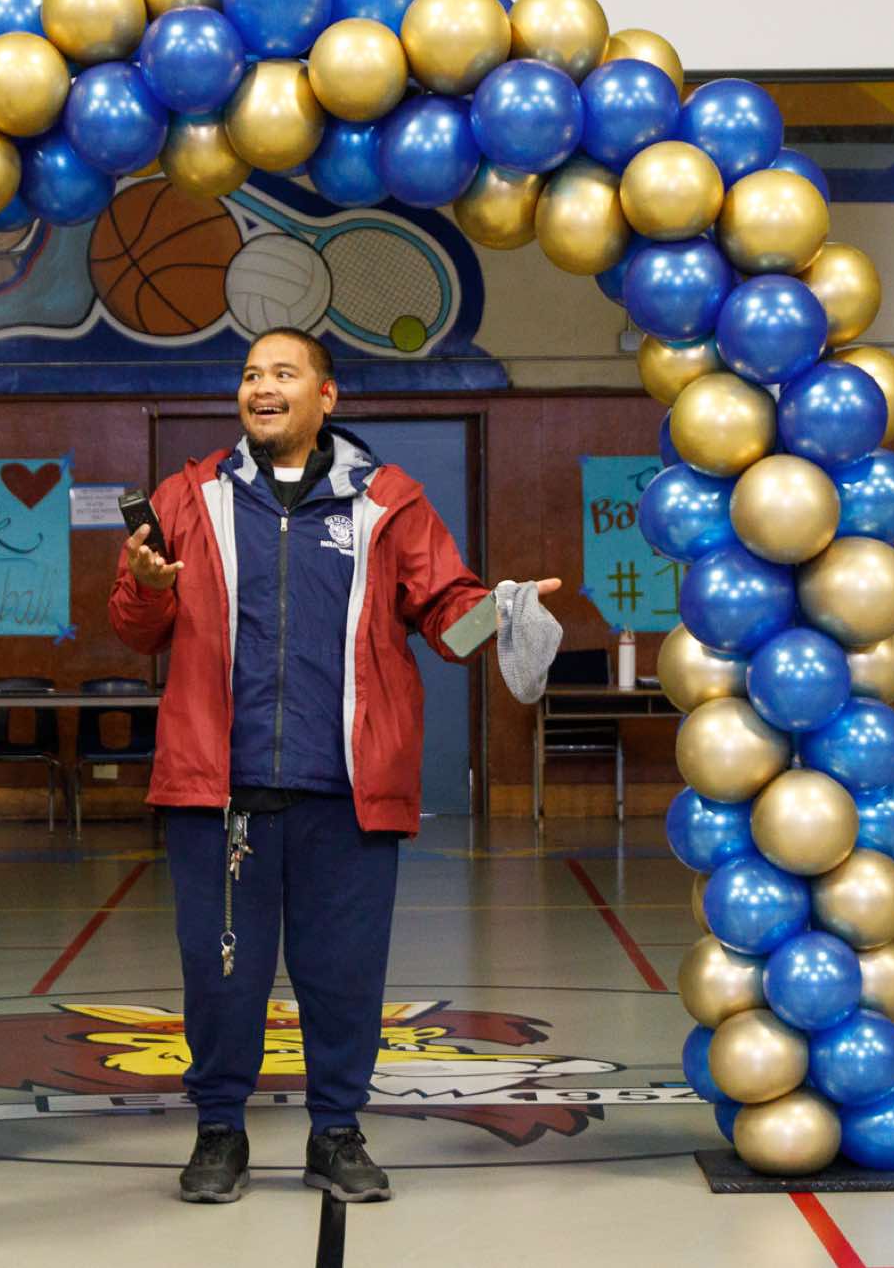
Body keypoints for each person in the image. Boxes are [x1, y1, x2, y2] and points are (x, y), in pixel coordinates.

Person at [109, 327, 558, 1205]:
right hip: (219, 791)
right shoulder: (188, 497)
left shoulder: (389, 502)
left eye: (283, 372)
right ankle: (219, 1130)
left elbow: (447, 621)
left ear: (326, 396)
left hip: (348, 793)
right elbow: (135, 629)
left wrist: (502, 615)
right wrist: (148, 586)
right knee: (222, 976)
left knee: (344, 978)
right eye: (250, 374)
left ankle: (337, 1131)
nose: (262, 387)